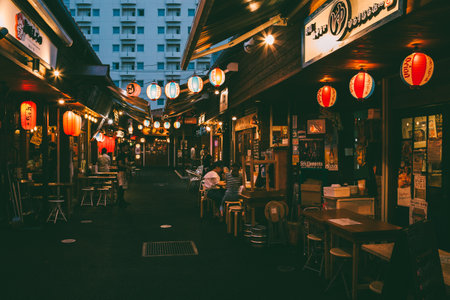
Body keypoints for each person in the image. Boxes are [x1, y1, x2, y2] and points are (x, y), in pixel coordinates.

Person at [117, 143, 130, 207]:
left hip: (123, 171)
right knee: (121, 186)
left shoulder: (123, 154)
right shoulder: (121, 155)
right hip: (121, 172)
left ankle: (121, 200)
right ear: (122, 147)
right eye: (126, 146)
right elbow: (120, 164)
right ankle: (120, 201)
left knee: (123, 187)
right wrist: (127, 167)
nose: (127, 148)